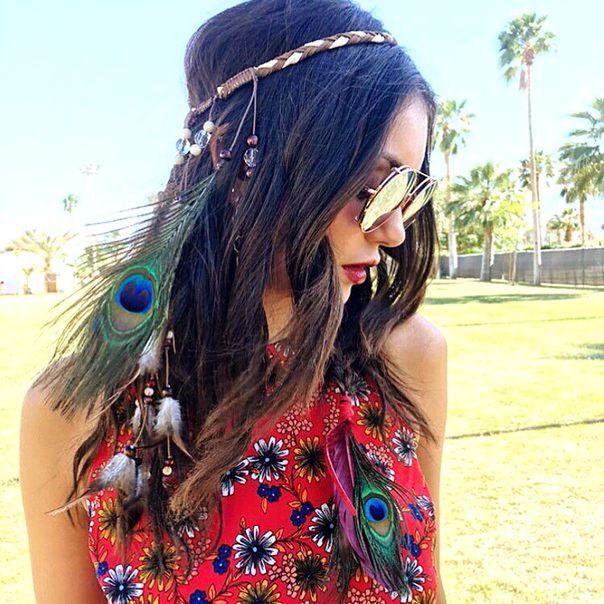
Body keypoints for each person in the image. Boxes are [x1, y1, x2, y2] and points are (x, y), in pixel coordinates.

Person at [20, 1, 448, 602]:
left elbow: (428, 583)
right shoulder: (74, 411)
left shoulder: (403, 359)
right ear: (234, 156)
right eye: (369, 186)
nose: (395, 230)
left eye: (409, 190)